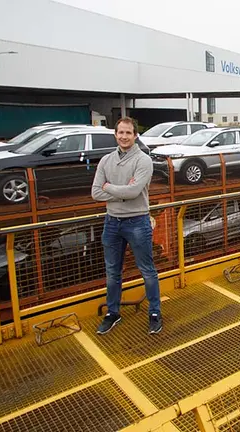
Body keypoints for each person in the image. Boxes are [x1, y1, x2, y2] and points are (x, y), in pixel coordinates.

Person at [91, 117, 162, 335]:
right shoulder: (106, 160)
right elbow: (95, 193)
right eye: (120, 132)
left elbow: (133, 193)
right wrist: (122, 193)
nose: (124, 136)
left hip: (137, 221)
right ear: (115, 134)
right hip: (112, 222)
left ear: (135, 135)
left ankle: (155, 313)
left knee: (147, 271)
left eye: (128, 133)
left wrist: (109, 188)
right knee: (112, 272)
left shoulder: (143, 161)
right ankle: (113, 313)